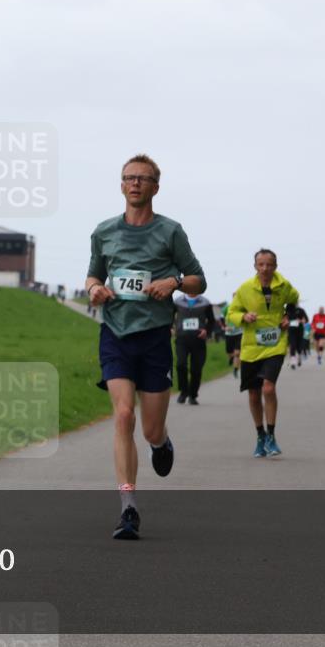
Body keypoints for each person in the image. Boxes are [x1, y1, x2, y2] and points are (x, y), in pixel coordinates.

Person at [86, 153, 206, 539]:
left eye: (142, 178)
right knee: (124, 416)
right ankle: (128, 507)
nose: (135, 183)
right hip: (115, 334)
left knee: (151, 429)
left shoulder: (170, 231)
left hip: (154, 337)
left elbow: (198, 279)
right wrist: (95, 289)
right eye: (128, 177)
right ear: (121, 185)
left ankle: (161, 442)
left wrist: (174, 282)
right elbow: (93, 275)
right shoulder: (104, 231)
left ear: (156, 186)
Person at [227, 249, 299, 459]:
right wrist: (243, 317)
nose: (265, 268)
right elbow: (232, 312)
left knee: (268, 387)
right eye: (261, 264)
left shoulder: (284, 286)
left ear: (275, 266)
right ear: (255, 266)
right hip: (251, 346)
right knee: (253, 393)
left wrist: (288, 316)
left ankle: (272, 435)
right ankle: (260, 435)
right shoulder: (245, 289)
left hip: (276, 344)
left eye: (269, 264)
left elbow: (294, 300)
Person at [173, 293, 216, 404]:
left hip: (198, 340)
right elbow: (169, 316)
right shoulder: (177, 301)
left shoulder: (205, 303)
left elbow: (211, 321)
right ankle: (183, 392)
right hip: (182, 339)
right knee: (181, 364)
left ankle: (193, 395)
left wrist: (206, 331)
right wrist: (170, 327)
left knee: (196, 369)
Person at [220, 302, 243, 379]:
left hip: (239, 333)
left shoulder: (242, 307)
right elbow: (221, 318)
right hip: (229, 334)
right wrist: (224, 327)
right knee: (229, 353)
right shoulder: (226, 307)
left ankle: (235, 369)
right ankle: (231, 357)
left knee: (237, 353)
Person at [287, 304, 309, 369]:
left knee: (299, 346)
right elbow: (285, 318)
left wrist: (301, 321)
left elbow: (306, 320)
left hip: (299, 330)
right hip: (291, 331)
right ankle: (293, 362)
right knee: (292, 345)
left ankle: (299, 357)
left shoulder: (301, 310)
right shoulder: (288, 310)